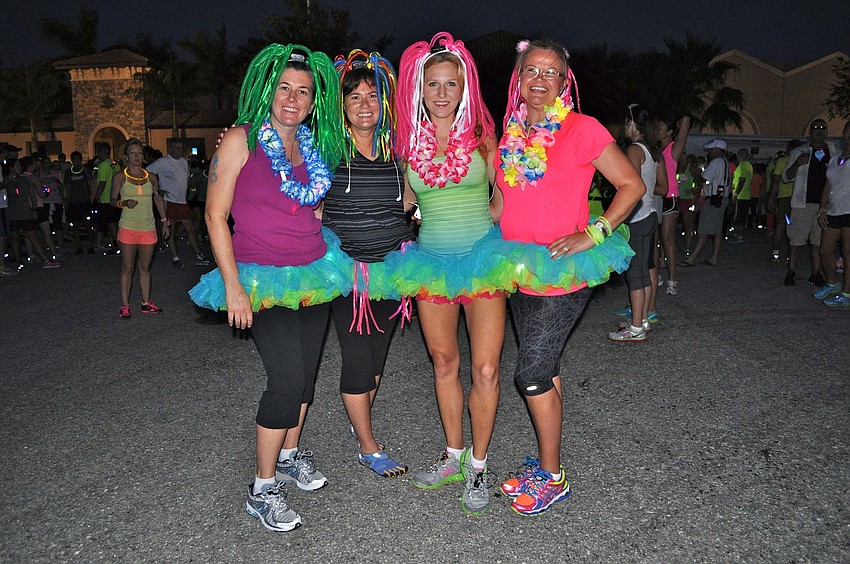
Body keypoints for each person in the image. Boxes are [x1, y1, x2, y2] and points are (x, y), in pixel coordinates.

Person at [189, 43, 349, 533]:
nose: (293, 98)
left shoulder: (313, 144)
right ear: (269, 90)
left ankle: (289, 455)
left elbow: (309, 207)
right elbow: (215, 215)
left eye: (303, 91)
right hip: (261, 278)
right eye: (285, 87)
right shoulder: (240, 140)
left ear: (312, 100)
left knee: (304, 381)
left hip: (312, 274)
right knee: (284, 382)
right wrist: (234, 287)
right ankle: (262, 489)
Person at [493, 39, 643, 515]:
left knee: (530, 374)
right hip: (517, 265)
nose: (540, 79)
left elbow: (631, 185)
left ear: (564, 82)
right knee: (548, 365)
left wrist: (594, 232)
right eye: (530, 70)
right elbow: (504, 201)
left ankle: (554, 478)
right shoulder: (510, 130)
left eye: (550, 72)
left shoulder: (582, 128)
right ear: (519, 78)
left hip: (564, 269)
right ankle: (545, 462)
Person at [392, 31, 503, 516]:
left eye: (450, 84)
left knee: (486, 368)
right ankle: (453, 456)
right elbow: (404, 202)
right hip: (431, 266)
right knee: (443, 364)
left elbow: (503, 198)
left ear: (464, 88)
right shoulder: (406, 144)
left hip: (481, 263)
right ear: (420, 89)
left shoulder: (483, 137)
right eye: (432, 84)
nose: (441, 93)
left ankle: (479, 466)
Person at [321, 50, 412, 478]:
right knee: (358, 361)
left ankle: (361, 426)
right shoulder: (328, 152)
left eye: (371, 95)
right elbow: (305, 202)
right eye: (353, 96)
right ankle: (368, 445)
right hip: (348, 275)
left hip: (393, 273)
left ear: (384, 103)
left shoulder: (399, 154)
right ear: (342, 105)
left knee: (376, 361)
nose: (363, 104)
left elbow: (414, 202)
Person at [609, 104, 667, 342]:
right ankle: (641, 321)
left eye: (625, 123)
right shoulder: (653, 150)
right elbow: (663, 187)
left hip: (637, 216)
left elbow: (630, 186)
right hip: (651, 213)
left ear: (632, 124)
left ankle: (635, 329)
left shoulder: (634, 149)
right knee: (642, 270)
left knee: (635, 273)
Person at [111, 139, 170, 319]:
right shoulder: (120, 177)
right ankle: (125, 305)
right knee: (127, 268)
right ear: (126, 156)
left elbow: (158, 199)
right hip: (128, 226)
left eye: (139, 153)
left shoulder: (151, 177)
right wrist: (124, 203)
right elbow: (112, 200)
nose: (136, 157)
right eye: (133, 153)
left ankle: (146, 302)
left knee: (145, 267)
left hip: (148, 227)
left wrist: (165, 221)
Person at [782, 119, 837, 286]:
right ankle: (791, 271)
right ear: (810, 131)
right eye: (816, 128)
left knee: (818, 241)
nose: (819, 131)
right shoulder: (800, 151)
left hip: (824, 205)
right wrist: (798, 163)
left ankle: (816, 273)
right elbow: (786, 177)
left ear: (827, 131)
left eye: (823, 128)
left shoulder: (834, 151)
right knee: (797, 240)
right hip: (802, 203)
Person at [147, 139, 211, 269]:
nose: (180, 151)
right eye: (177, 148)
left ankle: (199, 255)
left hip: (182, 201)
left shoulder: (183, 162)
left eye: (181, 148)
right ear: (170, 149)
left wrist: (188, 188)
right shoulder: (163, 162)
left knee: (191, 228)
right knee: (172, 230)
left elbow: (186, 177)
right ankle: (175, 257)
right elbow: (147, 172)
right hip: (170, 201)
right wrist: (157, 188)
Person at [812, 121, 850, 307]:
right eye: (847, 132)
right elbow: (828, 186)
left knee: (847, 252)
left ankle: (847, 293)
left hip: (849, 211)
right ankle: (833, 284)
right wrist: (822, 208)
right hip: (834, 210)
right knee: (825, 250)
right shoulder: (836, 159)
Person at [678, 139, 731, 267]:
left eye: (711, 149)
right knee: (717, 230)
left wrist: (696, 174)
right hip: (722, 198)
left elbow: (704, 178)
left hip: (713, 199)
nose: (709, 152)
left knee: (703, 230)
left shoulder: (716, 162)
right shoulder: (725, 162)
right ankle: (714, 257)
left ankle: (691, 258)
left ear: (717, 150)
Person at [4, 158, 61, 269]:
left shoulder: (25, 180)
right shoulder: (8, 180)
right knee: (15, 238)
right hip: (13, 213)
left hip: (26, 211)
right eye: (17, 166)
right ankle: (19, 261)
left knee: (32, 236)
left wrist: (34, 209)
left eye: (20, 166)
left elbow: (32, 196)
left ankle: (44, 259)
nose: (20, 168)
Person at [656, 115, 689, 295]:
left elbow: (685, 123)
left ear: (669, 132)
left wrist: (680, 122)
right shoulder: (656, 149)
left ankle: (672, 279)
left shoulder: (673, 149)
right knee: (655, 240)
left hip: (670, 196)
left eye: (662, 127)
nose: (658, 130)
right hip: (656, 196)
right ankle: (656, 275)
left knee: (667, 239)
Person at [64, 151, 96, 255]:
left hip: (84, 201)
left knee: (87, 224)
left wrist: (83, 167)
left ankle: (91, 245)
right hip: (74, 202)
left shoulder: (84, 170)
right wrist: (67, 202)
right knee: (76, 226)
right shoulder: (68, 172)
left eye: (78, 159)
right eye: (75, 160)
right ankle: (79, 247)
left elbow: (90, 178)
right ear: (72, 161)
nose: (76, 161)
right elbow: (67, 187)